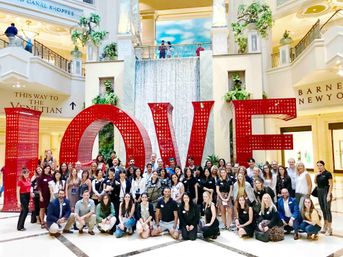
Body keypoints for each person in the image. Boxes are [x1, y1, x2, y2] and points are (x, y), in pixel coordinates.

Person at [315, 160, 333, 236]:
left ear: (323, 165)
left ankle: (329, 228)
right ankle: (325, 226)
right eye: (318, 165)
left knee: (327, 209)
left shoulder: (328, 173)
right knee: (323, 209)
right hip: (319, 191)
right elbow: (315, 182)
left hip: (326, 191)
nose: (319, 167)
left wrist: (329, 194)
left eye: (320, 165)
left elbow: (331, 185)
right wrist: (316, 175)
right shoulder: (318, 174)